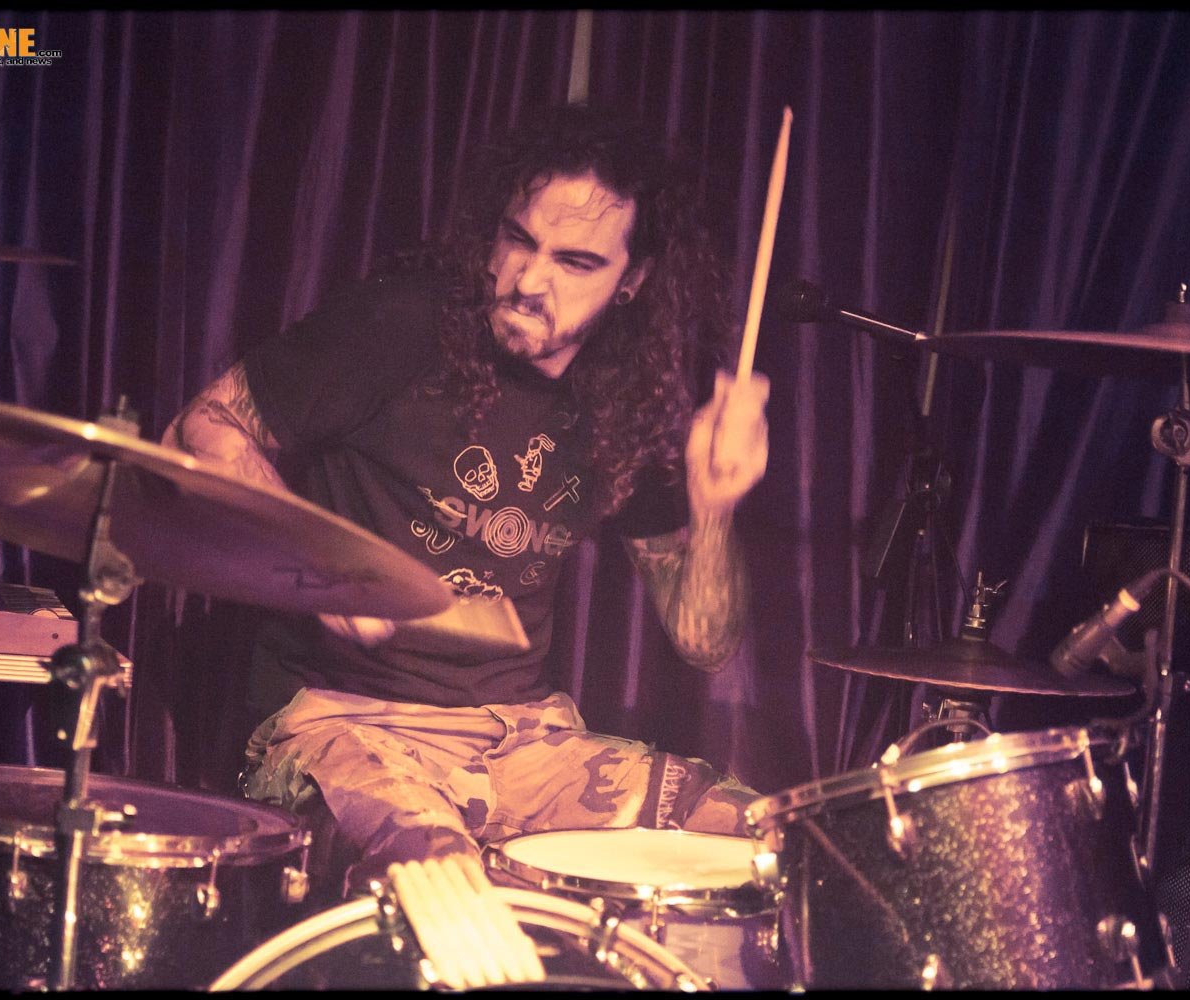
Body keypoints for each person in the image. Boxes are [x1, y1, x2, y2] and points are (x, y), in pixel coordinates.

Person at [163, 104, 771, 895]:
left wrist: (715, 508)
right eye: (519, 240)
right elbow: (202, 426)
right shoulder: (401, 325)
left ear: (633, 280)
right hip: (344, 723)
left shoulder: (628, 401)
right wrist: (321, 565)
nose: (527, 280)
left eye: (575, 261)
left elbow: (704, 641)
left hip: (526, 742)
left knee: (765, 838)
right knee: (440, 879)